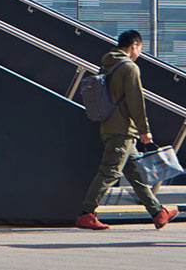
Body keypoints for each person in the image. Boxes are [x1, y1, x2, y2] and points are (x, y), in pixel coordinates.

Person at [74, 30, 177, 231]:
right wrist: (144, 130)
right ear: (134, 46)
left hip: (110, 126)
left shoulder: (108, 65)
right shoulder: (130, 68)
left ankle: (157, 213)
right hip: (122, 130)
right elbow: (136, 101)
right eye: (139, 49)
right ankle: (87, 214)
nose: (139, 53)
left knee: (137, 174)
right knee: (110, 171)